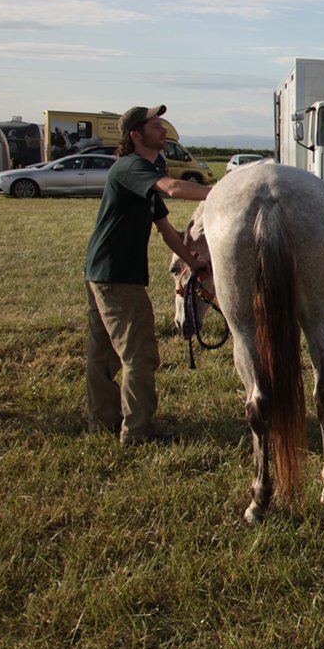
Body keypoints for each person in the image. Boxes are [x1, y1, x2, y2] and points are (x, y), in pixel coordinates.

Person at [84, 104, 212, 446]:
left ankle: (103, 419)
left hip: (102, 270)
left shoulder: (146, 168)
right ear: (135, 135)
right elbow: (172, 188)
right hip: (118, 276)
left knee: (103, 353)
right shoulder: (132, 167)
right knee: (139, 354)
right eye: (155, 126)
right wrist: (226, 194)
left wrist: (190, 261)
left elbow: (165, 227)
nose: (163, 130)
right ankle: (137, 432)